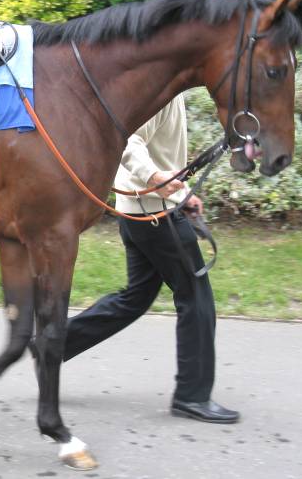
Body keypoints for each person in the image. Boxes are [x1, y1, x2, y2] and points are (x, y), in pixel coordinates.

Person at [64, 94, 239, 424]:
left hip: (141, 215)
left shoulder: (170, 91)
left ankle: (53, 345)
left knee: (135, 298)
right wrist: (155, 179)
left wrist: (181, 194)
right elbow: (128, 141)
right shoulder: (163, 94)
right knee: (197, 298)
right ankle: (192, 396)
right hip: (156, 217)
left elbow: (159, 153)